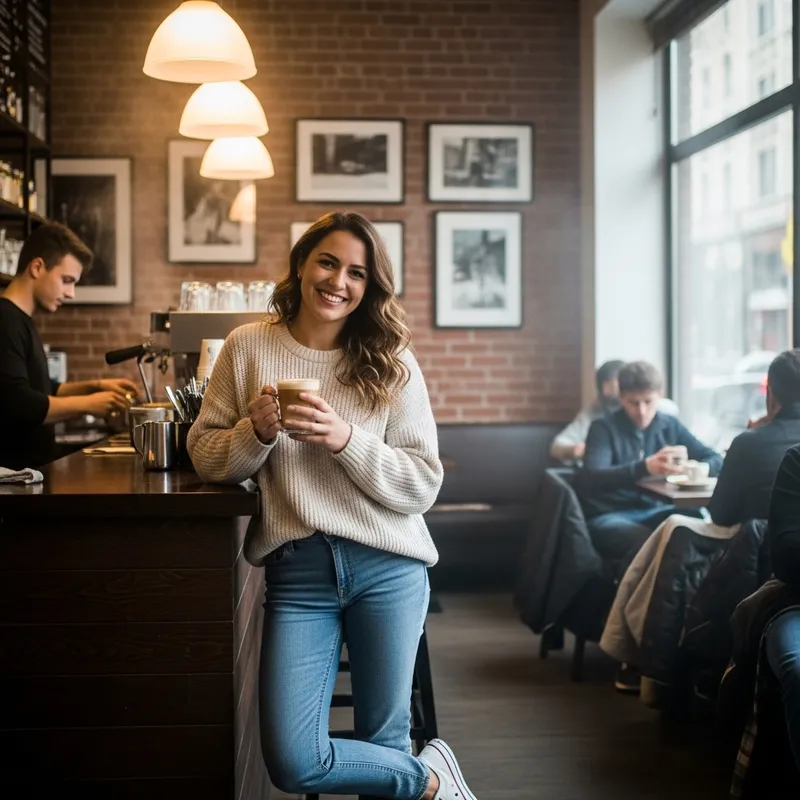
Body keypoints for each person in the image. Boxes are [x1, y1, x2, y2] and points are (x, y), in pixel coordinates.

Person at [187, 211, 476, 800]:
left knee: (383, 736)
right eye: (327, 261)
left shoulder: (390, 361)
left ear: (370, 287)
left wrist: (346, 440)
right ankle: (430, 777)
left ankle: (414, 771)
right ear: (300, 264)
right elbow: (206, 456)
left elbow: (423, 483)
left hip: (388, 567)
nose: (338, 280)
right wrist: (256, 432)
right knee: (293, 761)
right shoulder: (248, 347)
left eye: (357, 272)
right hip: (299, 573)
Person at [600, 350, 800, 693]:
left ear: (771, 396)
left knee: (675, 529)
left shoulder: (748, 441)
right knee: (672, 526)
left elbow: (721, 513)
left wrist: (747, 440)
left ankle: (641, 659)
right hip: (775, 565)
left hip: (749, 559)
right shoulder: (604, 428)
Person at [0, 222, 138, 469]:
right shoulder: (5, 320)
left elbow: (40, 388)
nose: (71, 292)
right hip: (12, 483)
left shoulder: (21, 320)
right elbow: (19, 403)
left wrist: (92, 387)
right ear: (37, 267)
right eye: (66, 280)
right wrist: (89, 404)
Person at [576, 360, 722, 566]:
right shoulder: (603, 428)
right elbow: (592, 477)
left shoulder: (669, 424)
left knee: (700, 523)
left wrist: (697, 467)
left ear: (660, 395)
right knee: (653, 542)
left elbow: (716, 458)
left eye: (648, 402)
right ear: (621, 398)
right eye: (633, 403)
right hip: (610, 515)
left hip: (656, 509)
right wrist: (645, 467)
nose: (642, 411)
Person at [550, 360, 679, 464]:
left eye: (647, 402)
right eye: (613, 400)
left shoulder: (665, 412)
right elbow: (558, 446)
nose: (641, 412)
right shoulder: (598, 416)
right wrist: (583, 450)